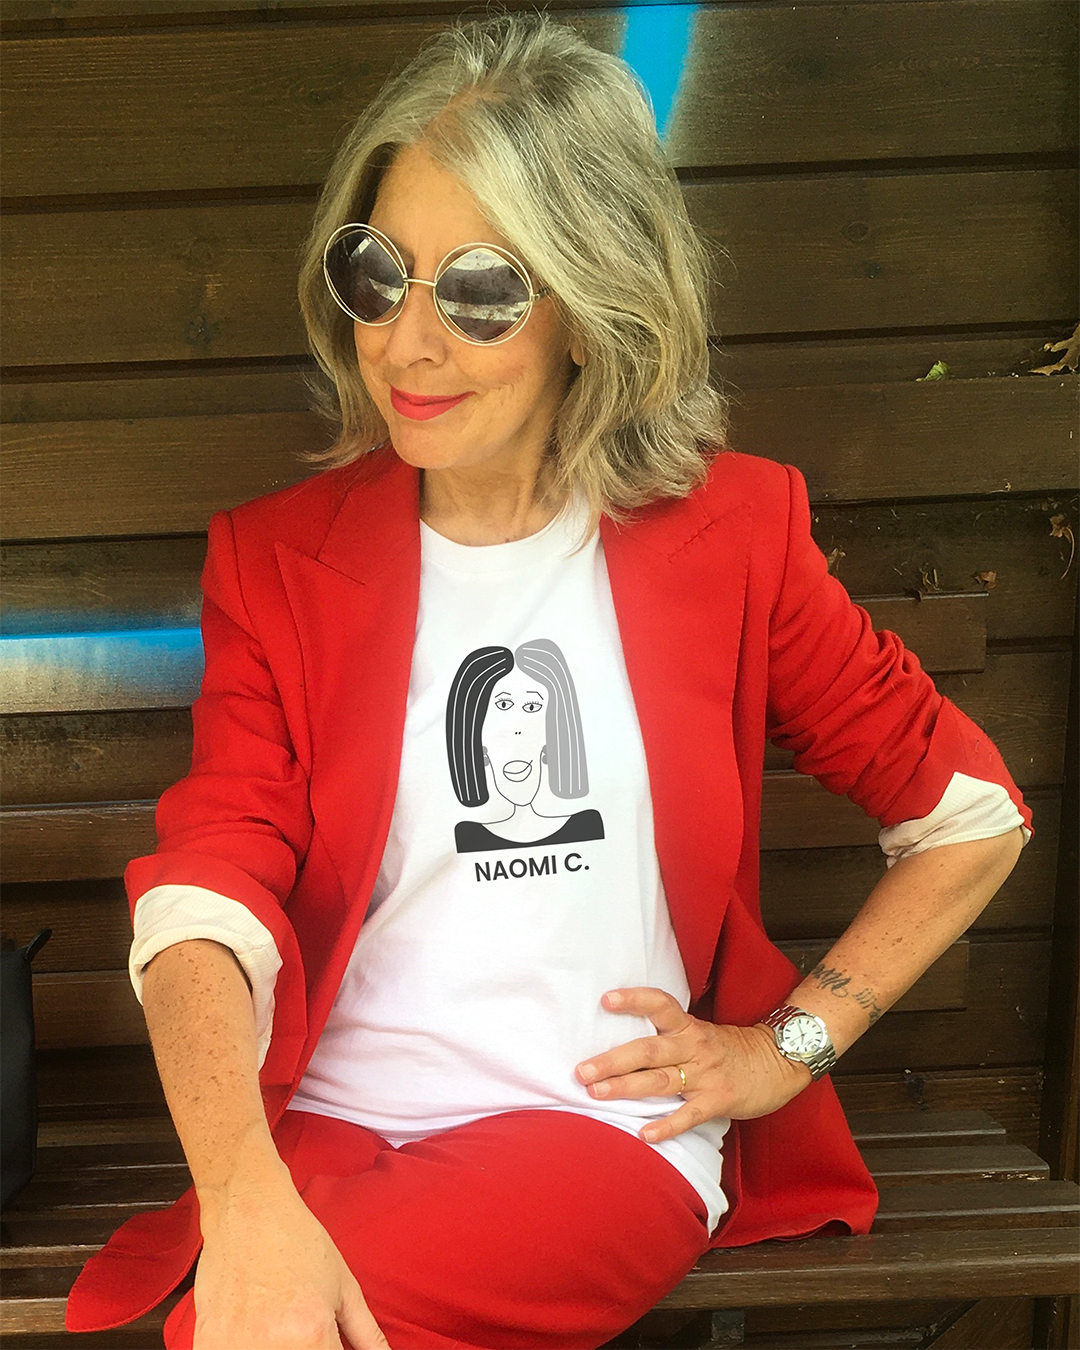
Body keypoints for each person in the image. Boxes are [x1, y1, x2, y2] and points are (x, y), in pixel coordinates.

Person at [64, 11, 1031, 1350]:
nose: (406, 343)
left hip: (597, 1129)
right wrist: (244, 1193)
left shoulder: (731, 536)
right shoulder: (281, 561)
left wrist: (784, 1048)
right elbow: (209, 885)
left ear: (592, 309)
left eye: (479, 293)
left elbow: (970, 816)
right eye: (377, 274)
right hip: (330, 1125)